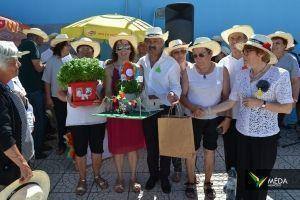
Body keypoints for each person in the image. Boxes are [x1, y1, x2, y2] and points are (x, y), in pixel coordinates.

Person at [204, 34, 293, 200]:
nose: (242, 55)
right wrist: (208, 110)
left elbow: (287, 108)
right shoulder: (242, 75)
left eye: (246, 52)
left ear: (260, 53)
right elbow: (231, 101)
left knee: (257, 184)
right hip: (242, 135)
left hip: (264, 139)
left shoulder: (280, 75)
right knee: (242, 181)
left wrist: (261, 104)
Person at [180, 37, 230, 199]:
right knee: (190, 152)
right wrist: (193, 108)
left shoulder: (222, 70)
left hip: (213, 119)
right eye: (194, 56)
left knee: (210, 151)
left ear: (211, 54)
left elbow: (226, 97)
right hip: (192, 118)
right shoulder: (188, 71)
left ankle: (208, 182)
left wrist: (227, 118)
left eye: (201, 54)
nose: (197, 59)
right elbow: (183, 96)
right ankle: (190, 180)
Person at [57, 38, 108, 196]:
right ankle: (82, 179)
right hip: (76, 119)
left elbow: (106, 89)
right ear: (77, 52)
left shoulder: (100, 67)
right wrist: (68, 99)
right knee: (80, 151)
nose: (85, 51)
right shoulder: (69, 67)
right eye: (82, 48)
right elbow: (59, 92)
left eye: (89, 49)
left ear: (94, 52)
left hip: (97, 117)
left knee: (97, 149)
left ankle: (97, 176)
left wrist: (103, 97)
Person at [138, 27, 181, 194]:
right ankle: (153, 175)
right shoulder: (141, 61)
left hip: (164, 109)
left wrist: (173, 94)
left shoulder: (171, 63)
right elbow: (138, 81)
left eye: (155, 41)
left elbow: (176, 85)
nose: (152, 44)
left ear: (162, 42)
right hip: (147, 109)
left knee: (165, 147)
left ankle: (164, 177)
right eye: (149, 41)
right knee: (151, 147)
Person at [104, 33, 145, 193]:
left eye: (126, 46)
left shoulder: (138, 68)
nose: (123, 50)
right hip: (116, 112)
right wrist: (114, 100)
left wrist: (132, 100)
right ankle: (120, 177)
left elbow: (141, 89)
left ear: (131, 49)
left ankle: (134, 177)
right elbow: (107, 91)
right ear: (115, 50)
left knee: (133, 147)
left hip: (133, 112)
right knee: (118, 147)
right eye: (119, 47)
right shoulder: (108, 68)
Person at [218, 25, 254, 194]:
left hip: (249, 114)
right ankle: (231, 179)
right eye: (232, 38)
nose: (235, 41)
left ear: (246, 41)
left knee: (247, 150)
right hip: (230, 115)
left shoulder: (251, 61)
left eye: (239, 38)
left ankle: (247, 181)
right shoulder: (223, 62)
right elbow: (223, 93)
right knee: (230, 149)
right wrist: (225, 116)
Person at [0, 41, 34, 186]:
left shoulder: (5, 87)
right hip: (8, 169)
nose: (19, 64)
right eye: (15, 61)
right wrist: (22, 163)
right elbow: (3, 134)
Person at [18, 28, 50, 159]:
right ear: (36, 37)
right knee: (38, 119)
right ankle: (38, 149)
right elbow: (38, 67)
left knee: (31, 119)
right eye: (42, 38)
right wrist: (46, 66)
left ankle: (38, 145)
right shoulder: (32, 45)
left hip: (24, 89)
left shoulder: (21, 45)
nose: (43, 41)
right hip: (33, 89)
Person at [165, 39, 192, 185]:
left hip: (190, 110)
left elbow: (188, 91)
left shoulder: (192, 67)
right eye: (176, 52)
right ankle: (176, 168)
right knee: (173, 140)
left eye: (183, 51)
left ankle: (187, 170)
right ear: (171, 55)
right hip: (174, 108)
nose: (180, 54)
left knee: (189, 143)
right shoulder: (167, 69)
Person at [42, 34, 73, 155]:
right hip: (56, 97)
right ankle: (61, 145)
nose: (69, 46)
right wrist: (48, 98)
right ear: (61, 46)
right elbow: (47, 81)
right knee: (61, 122)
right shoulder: (51, 61)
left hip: (71, 97)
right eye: (67, 44)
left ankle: (72, 145)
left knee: (71, 122)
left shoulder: (72, 60)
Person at [268, 31, 300, 127]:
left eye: (277, 43)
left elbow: (295, 81)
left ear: (284, 46)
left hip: (283, 98)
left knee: (277, 121)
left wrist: (294, 99)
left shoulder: (291, 60)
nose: (274, 45)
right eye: (272, 43)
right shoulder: (265, 57)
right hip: (265, 97)